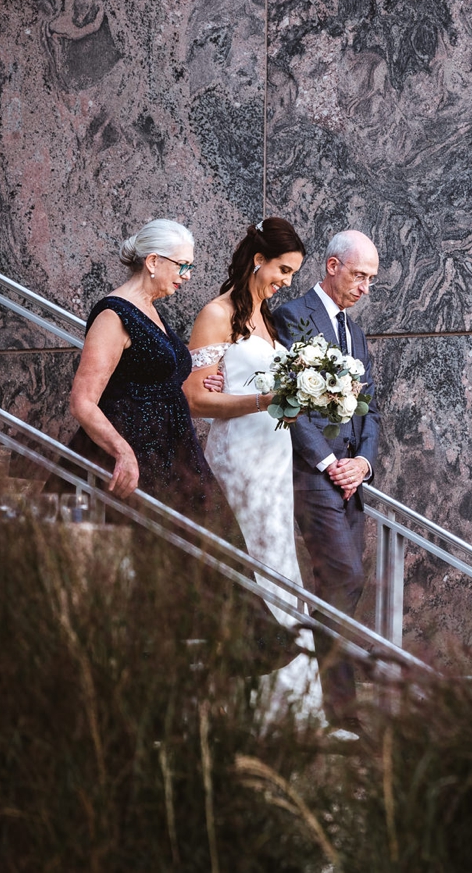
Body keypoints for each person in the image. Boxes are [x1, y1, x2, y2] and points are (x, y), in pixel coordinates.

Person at [66, 219, 296, 673]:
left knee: (217, 555)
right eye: (182, 265)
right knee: (160, 569)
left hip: (175, 454)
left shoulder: (152, 310)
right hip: (139, 459)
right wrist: (121, 450)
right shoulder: (114, 313)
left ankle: (198, 667)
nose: (187, 275)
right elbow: (84, 399)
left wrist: (196, 379)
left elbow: (168, 378)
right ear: (153, 262)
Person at [183, 219, 327, 730]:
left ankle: (294, 707)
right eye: (284, 270)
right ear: (257, 260)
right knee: (253, 561)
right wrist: (265, 400)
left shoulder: (266, 321)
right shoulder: (215, 314)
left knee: (280, 562)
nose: (287, 281)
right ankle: (257, 708)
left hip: (273, 455)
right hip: (238, 457)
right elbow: (196, 398)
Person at [270, 230, 380, 733]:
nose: (364, 288)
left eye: (370, 280)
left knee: (339, 585)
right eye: (358, 276)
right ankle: (341, 709)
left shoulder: (353, 331)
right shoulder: (292, 316)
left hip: (351, 480)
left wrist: (363, 464)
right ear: (332, 266)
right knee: (343, 579)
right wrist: (326, 463)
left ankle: (322, 698)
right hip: (312, 475)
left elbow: (368, 409)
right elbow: (286, 402)